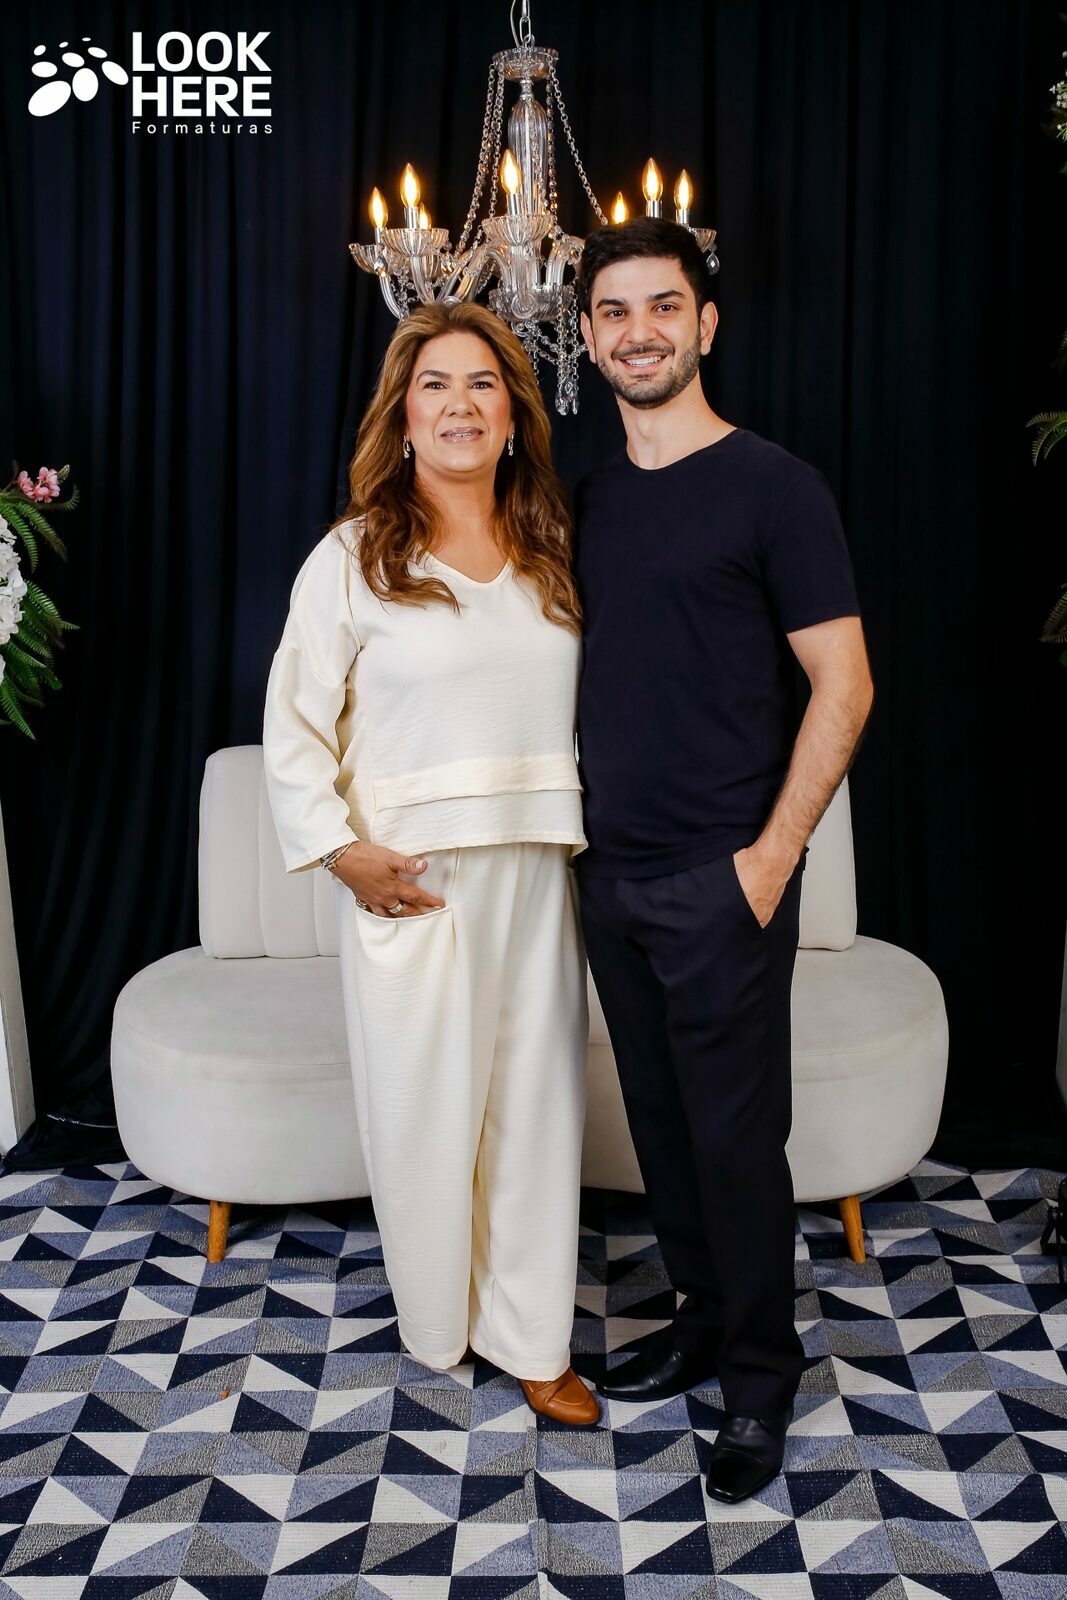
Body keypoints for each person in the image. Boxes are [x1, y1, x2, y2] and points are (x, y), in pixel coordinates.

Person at [572, 219, 874, 1499]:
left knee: (737, 1139)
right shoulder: (585, 500)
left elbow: (844, 686)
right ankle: (701, 1324)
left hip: (723, 876)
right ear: (586, 336)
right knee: (662, 1124)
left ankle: (758, 1375)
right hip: (607, 876)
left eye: (661, 307)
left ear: (704, 324)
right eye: (612, 311)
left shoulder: (772, 487)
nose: (636, 331)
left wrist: (768, 861)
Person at [261, 301, 598, 1426]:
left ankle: (533, 1340)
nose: (460, 405)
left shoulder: (553, 549)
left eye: (483, 384)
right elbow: (293, 722)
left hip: (538, 864)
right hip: (413, 880)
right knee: (424, 1118)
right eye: (435, 386)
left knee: (536, 1116)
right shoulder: (352, 555)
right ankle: (439, 1327)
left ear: (513, 416)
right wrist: (339, 851)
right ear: (401, 418)